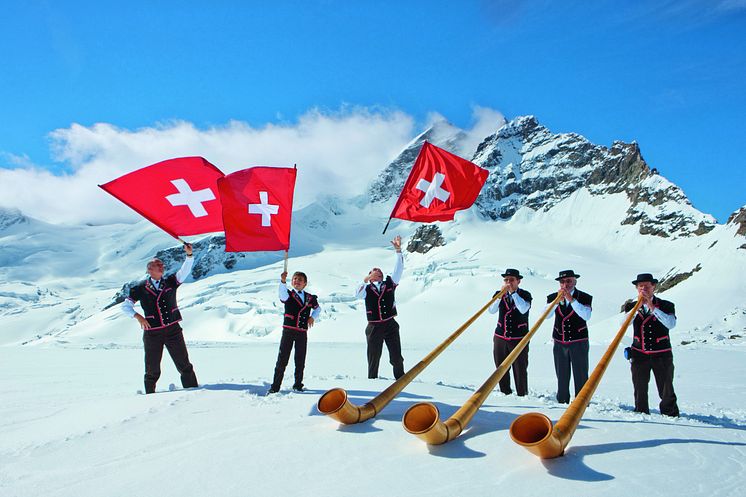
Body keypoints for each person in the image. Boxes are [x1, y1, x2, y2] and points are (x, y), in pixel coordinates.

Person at [122, 243, 198, 394]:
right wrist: (138, 317)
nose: (161, 267)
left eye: (162, 265)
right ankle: (150, 395)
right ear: (150, 269)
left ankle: (193, 392)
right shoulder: (140, 287)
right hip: (152, 333)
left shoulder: (171, 281)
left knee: (184, 364)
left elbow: (185, 271)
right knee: (152, 367)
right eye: (158, 265)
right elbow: (125, 306)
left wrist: (189, 255)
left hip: (173, 329)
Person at [624, 273, 680, 417]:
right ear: (637, 288)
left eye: (647, 286)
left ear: (653, 287)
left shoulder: (667, 305)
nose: (644, 289)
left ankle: (670, 413)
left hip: (662, 354)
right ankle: (641, 412)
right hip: (639, 353)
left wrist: (652, 307)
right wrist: (636, 308)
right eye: (641, 286)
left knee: (666, 387)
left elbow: (671, 324)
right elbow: (623, 324)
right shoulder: (631, 306)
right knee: (639, 386)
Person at [354, 235, 405, 379]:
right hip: (374, 327)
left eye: (378, 271)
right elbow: (356, 294)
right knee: (373, 357)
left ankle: (400, 378)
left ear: (382, 276)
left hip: (390, 324)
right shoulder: (365, 288)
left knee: (396, 356)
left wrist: (398, 251)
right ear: (369, 276)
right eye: (372, 271)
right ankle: (372, 380)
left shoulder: (389, 283)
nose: (376, 271)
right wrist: (365, 280)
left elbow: (399, 269)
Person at [268, 270, 321, 394]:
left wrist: (313, 317)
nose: (297, 281)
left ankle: (298, 384)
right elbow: (281, 294)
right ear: (291, 282)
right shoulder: (288, 295)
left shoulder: (310, 297)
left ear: (305, 284)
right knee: (282, 359)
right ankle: (275, 387)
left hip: (302, 332)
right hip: (288, 331)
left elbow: (318, 309)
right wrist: (282, 281)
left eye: (300, 280)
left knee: (300, 359)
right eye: (295, 279)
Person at [546, 269, 593, 404]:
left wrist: (571, 300)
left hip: (579, 341)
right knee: (561, 375)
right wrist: (555, 302)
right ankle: (562, 401)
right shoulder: (552, 297)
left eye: (568, 281)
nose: (565, 284)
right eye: (562, 282)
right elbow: (546, 316)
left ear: (575, 281)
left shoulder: (584, 297)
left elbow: (586, 315)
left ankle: (581, 403)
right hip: (560, 341)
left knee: (581, 375)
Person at [488, 268, 532, 396]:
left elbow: (523, 309)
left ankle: (522, 393)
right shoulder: (498, 293)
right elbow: (491, 310)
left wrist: (513, 294)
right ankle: (504, 392)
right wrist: (498, 297)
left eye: (511, 280)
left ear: (518, 281)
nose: (508, 282)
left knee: (520, 368)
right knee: (500, 366)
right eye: (506, 280)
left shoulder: (525, 294)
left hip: (519, 338)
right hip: (501, 336)